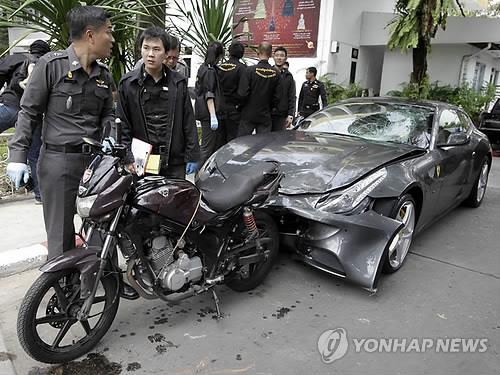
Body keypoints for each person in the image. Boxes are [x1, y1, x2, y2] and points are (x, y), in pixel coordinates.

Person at [6, 5, 115, 261]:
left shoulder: (103, 75)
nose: (112, 39)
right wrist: (18, 156)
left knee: (101, 232)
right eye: (108, 32)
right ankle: (65, 294)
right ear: (90, 35)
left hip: (96, 167)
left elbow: (108, 114)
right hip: (59, 164)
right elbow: (28, 112)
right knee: (61, 239)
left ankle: (96, 288)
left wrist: (110, 135)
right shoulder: (51, 65)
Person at [117, 26, 199, 179]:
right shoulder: (129, 84)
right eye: (146, 48)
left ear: (166, 53)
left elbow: (188, 120)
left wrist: (192, 155)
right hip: (141, 162)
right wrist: (127, 156)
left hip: (174, 161)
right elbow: (123, 123)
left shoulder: (178, 82)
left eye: (156, 49)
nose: (150, 54)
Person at [0, 40, 50, 203]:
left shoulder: (17, 58)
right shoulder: (48, 64)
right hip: (33, 115)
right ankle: (40, 195)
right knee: (35, 154)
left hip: (10, 107)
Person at [238, 42, 280, 136]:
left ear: (258, 53)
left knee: (242, 143)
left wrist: (242, 107)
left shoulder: (249, 71)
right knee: (262, 145)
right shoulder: (276, 73)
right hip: (265, 114)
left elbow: (242, 94)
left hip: (248, 114)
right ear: (270, 54)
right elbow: (277, 97)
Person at [195, 41, 224, 165]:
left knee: (209, 147)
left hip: (202, 111)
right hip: (208, 114)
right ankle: (199, 176)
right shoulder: (210, 72)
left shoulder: (203, 68)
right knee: (207, 148)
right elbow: (209, 94)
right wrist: (213, 116)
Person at [217, 41, 248, 143]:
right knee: (233, 140)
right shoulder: (242, 68)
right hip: (234, 109)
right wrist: (240, 105)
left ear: (229, 52)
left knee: (220, 138)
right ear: (242, 53)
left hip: (219, 107)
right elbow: (243, 91)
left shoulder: (219, 67)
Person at [271, 46, 296, 131]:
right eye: (277, 55)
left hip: (282, 115)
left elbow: (292, 96)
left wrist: (290, 115)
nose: (279, 58)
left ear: (285, 58)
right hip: (267, 114)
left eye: (282, 55)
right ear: (273, 56)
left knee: (278, 140)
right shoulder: (268, 72)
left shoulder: (288, 76)